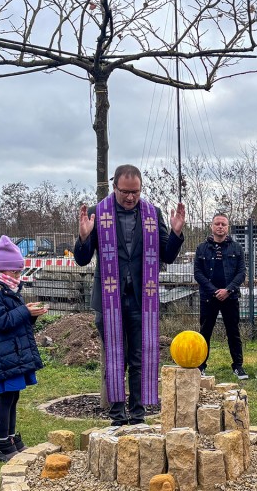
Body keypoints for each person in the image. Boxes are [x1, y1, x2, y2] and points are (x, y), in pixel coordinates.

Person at [73, 165, 185, 425]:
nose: (131, 197)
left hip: (141, 299)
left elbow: (167, 255)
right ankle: (116, 415)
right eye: (125, 192)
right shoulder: (96, 214)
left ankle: (137, 413)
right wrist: (83, 237)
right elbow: (81, 260)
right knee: (114, 355)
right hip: (108, 299)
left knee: (139, 356)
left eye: (135, 192)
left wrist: (176, 232)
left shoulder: (152, 213)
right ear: (114, 187)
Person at [0, 236, 47, 462]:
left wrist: (30, 315)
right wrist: (25, 311)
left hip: (15, 352)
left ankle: (12, 437)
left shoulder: (8, 290)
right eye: (15, 272)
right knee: (5, 398)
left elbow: (16, 321)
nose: (18, 276)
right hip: (4, 354)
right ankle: (3, 443)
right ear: (4, 270)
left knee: (13, 397)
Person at [194, 213, 248, 380]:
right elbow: (198, 273)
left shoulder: (236, 248)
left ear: (228, 227)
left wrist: (228, 290)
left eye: (223, 224)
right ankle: (201, 366)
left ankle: (238, 367)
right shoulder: (201, 248)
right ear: (211, 226)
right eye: (217, 223)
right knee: (205, 333)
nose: (220, 227)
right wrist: (214, 291)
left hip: (230, 298)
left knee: (233, 332)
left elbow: (241, 273)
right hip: (208, 298)